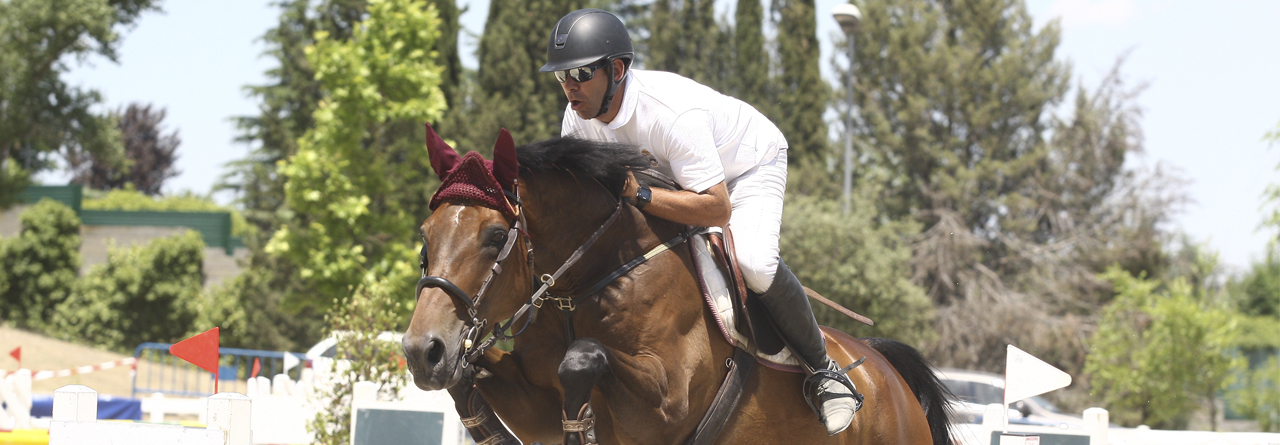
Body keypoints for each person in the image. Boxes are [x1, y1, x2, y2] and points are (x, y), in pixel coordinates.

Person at [540, 8, 863, 436]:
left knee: (753, 261)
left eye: (580, 73)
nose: (569, 87)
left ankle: (825, 372)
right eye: (561, 77)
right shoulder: (576, 120)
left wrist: (641, 195)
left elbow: (716, 208)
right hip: (681, 180)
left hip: (745, 169)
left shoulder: (670, 114)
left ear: (616, 69)